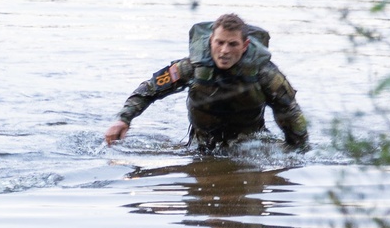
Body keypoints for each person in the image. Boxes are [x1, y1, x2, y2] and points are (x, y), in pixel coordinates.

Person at [104, 12, 307, 152]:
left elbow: (290, 112)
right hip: (200, 144)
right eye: (220, 42)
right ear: (211, 41)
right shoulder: (191, 67)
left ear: (245, 45)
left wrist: (296, 151)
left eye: (232, 44)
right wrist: (123, 119)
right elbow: (150, 89)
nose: (225, 50)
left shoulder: (266, 75)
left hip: (250, 145)